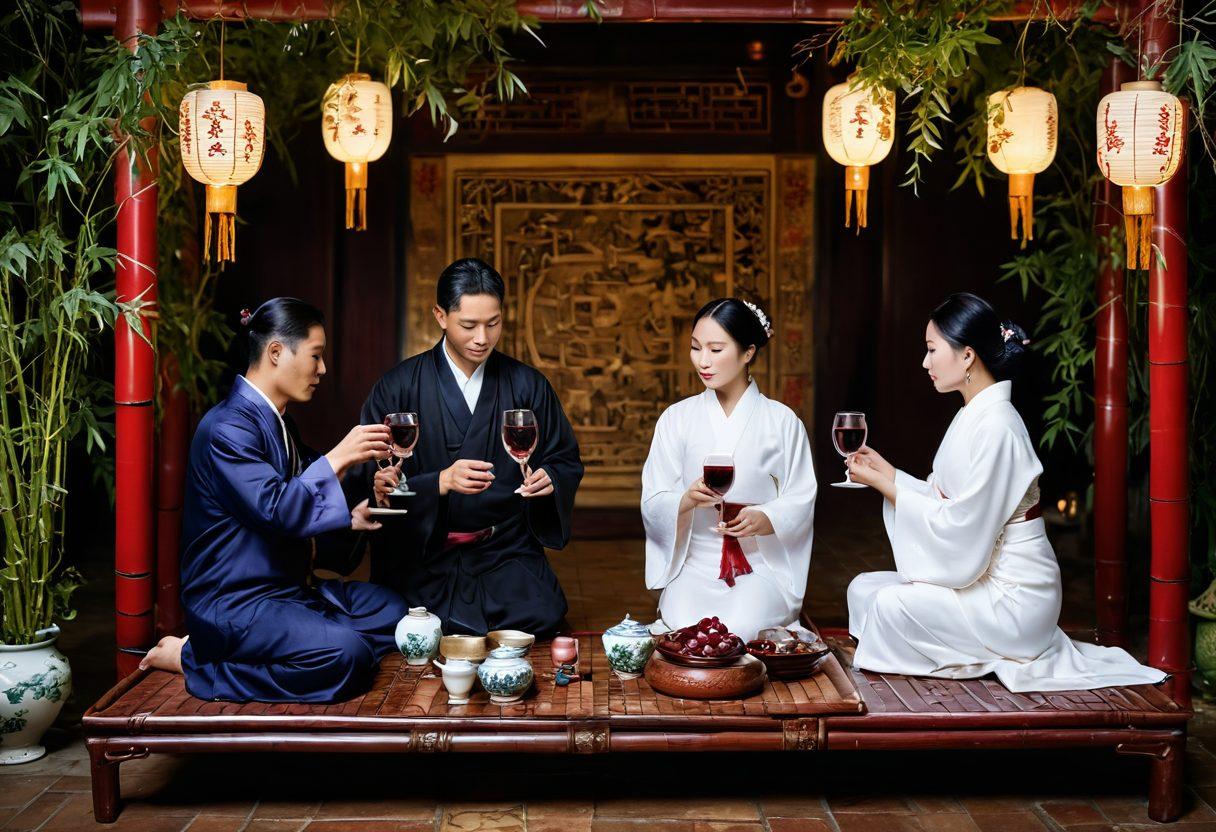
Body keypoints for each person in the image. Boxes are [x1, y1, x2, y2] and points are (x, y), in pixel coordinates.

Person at [846, 293, 1166, 692]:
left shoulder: (998, 426)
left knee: (889, 605)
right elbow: (950, 501)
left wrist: (886, 487)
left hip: (1013, 598)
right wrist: (891, 475)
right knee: (863, 589)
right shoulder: (973, 414)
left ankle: (981, 653)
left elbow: (963, 528)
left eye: (931, 350)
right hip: (983, 578)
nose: (925, 363)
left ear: (967, 356)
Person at [140, 298, 409, 703]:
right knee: (346, 655)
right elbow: (278, 508)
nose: (322, 370)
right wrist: (341, 455)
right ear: (276, 352)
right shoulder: (226, 429)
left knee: (397, 615)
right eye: (316, 356)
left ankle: (309, 642)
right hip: (237, 602)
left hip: (287, 590)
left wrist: (351, 513)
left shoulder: (279, 421)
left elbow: (308, 494)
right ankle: (198, 658)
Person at [359, 258, 583, 636]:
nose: (483, 337)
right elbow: (374, 476)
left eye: (493, 323)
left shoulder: (527, 385)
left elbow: (564, 458)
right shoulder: (398, 387)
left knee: (544, 613)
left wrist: (551, 478)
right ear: (440, 316)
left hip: (502, 550)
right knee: (391, 617)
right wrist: (438, 482)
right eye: (469, 325)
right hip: (424, 553)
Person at [641, 298, 817, 642]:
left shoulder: (782, 422)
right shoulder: (676, 419)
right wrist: (684, 500)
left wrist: (768, 518)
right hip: (695, 567)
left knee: (742, 631)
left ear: (748, 352)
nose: (703, 361)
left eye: (716, 349)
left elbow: (802, 497)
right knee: (687, 626)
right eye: (695, 348)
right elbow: (653, 498)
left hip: (757, 567)